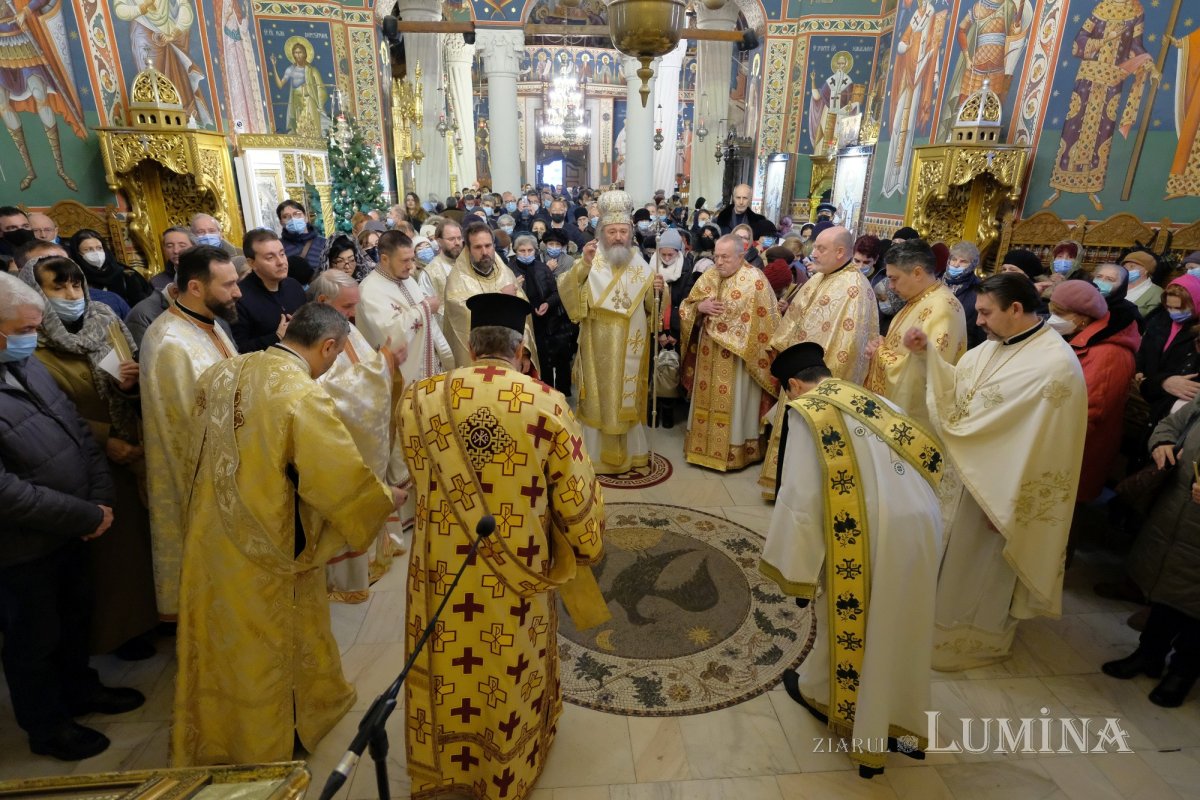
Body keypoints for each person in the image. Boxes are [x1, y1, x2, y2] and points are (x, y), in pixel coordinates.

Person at [172, 303, 403, 765]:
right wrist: (381, 499)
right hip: (267, 544)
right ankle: (268, 737)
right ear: (328, 346)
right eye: (334, 358)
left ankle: (219, 734)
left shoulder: (223, 371)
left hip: (208, 536)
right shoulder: (300, 393)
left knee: (223, 641)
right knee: (270, 639)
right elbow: (334, 474)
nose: (331, 366)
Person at [397, 293, 606, 798]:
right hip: (519, 565)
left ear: (470, 346)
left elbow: (414, 469)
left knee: (447, 658)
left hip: (442, 564)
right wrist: (586, 546)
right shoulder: (545, 402)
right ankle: (506, 769)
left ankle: (446, 763)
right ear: (520, 350)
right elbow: (576, 498)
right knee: (508, 659)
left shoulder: (418, 398)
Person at [761, 341, 944, 778]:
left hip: (872, 535)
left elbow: (801, 499)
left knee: (857, 624)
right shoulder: (871, 398)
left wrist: (796, 571)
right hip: (920, 524)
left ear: (793, 386)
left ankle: (853, 720)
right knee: (902, 624)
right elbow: (928, 459)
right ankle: (900, 718)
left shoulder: (808, 412)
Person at [903, 274, 1087, 670]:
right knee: (948, 560)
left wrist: (1009, 503)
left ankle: (969, 641)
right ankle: (931, 628)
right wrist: (928, 358)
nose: (980, 320)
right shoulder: (994, 345)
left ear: (1016, 309)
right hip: (963, 478)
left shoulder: (1054, 367)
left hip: (997, 494)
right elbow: (962, 385)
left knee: (976, 569)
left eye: (986, 312)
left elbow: (1042, 446)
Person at [0, 272, 145, 761]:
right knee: (33, 640)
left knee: (73, 619)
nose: (31, 337)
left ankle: (81, 688)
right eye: (22, 330)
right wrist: (83, 513)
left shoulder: (24, 366)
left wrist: (99, 499)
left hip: (72, 527)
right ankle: (48, 725)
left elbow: (76, 428)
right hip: (20, 545)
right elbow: (5, 492)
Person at [21, 257, 157, 660]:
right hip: (78, 458)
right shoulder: (31, 341)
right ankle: (114, 634)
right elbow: (46, 408)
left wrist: (131, 387)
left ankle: (143, 622)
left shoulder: (105, 322)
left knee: (135, 547)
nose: (70, 296)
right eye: (57, 288)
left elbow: (129, 379)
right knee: (104, 558)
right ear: (35, 293)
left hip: (129, 447)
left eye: (76, 286)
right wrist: (103, 439)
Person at [140, 245, 240, 619]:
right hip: (205, 482)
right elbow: (184, 429)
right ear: (196, 287)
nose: (237, 292)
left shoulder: (208, 325)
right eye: (229, 284)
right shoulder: (169, 342)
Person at [309, 271, 409, 602]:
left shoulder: (345, 326)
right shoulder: (312, 332)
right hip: (339, 439)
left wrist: (381, 366)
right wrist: (383, 365)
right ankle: (348, 573)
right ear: (323, 302)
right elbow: (324, 391)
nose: (353, 313)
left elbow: (362, 367)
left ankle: (378, 548)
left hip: (362, 433)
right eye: (347, 305)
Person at [760, 225, 879, 498]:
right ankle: (784, 485)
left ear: (840, 252)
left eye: (821, 249)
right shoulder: (818, 277)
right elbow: (795, 318)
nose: (814, 252)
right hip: (796, 374)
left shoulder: (856, 289)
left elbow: (849, 346)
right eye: (815, 247)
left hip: (816, 382)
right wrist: (778, 347)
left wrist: (819, 383)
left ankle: (802, 493)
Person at [558, 190, 663, 473]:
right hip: (596, 342)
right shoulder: (591, 258)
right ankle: (594, 453)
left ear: (630, 233)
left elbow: (653, 310)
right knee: (597, 396)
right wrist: (584, 265)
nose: (618, 236)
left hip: (632, 340)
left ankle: (631, 453)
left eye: (623, 231)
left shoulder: (641, 263)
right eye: (612, 231)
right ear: (602, 232)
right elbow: (568, 292)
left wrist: (658, 293)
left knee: (623, 397)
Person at [1105, 394, 1200, 707]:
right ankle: (1149, 654)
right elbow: (1169, 424)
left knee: (1195, 602)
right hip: (1175, 511)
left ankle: (1183, 673)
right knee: (1167, 581)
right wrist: (1162, 443)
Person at [679, 235, 779, 470]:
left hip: (738, 360)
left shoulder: (755, 280)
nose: (719, 262)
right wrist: (699, 308)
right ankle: (700, 448)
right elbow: (687, 305)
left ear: (741, 256)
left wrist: (744, 342)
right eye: (716, 256)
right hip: (707, 353)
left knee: (735, 405)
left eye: (725, 257)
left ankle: (734, 452)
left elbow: (769, 324)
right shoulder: (710, 275)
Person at [1049, 280, 1141, 504]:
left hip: (1078, 449)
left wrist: (1049, 443)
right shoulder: (1083, 338)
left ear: (1082, 317)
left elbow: (1090, 411)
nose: (1053, 319)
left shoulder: (1109, 354)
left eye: (1060, 313)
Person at [864, 240, 967, 427]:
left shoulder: (942, 308)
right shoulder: (918, 299)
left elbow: (929, 373)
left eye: (894, 279)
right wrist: (883, 343)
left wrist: (880, 354)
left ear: (917, 273)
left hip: (917, 424)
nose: (891, 286)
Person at [357, 230, 453, 385]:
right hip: (400, 379)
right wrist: (426, 308)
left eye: (412, 259)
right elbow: (389, 335)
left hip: (431, 371)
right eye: (404, 260)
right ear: (385, 259)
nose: (410, 266)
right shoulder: (369, 290)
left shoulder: (408, 279)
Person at [444, 222, 539, 373]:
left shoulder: (505, 273)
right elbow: (464, 320)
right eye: (478, 247)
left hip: (509, 360)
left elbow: (522, 315)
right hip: (475, 364)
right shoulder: (457, 279)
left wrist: (525, 353)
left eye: (488, 246)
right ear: (468, 249)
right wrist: (502, 299)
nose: (484, 252)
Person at [1136, 276, 1200, 434]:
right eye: (1169, 307)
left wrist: (1159, 380)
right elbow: (1144, 349)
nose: (1173, 313)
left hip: (1172, 400)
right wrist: (1138, 369)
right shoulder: (1159, 319)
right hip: (1148, 386)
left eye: (1179, 308)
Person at [509, 233, 571, 391]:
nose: (526, 254)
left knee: (546, 361)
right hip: (522, 324)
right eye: (522, 251)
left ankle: (549, 393)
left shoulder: (542, 268)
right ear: (515, 251)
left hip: (546, 322)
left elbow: (556, 293)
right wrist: (515, 286)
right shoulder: (509, 270)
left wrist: (547, 304)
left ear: (535, 251)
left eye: (530, 250)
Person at [232, 229, 307, 352]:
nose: (281, 262)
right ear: (252, 263)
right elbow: (239, 349)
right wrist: (277, 337)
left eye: (282, 254)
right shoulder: (239, 297)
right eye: (270, 257)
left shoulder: (293, 285)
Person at [67, 229, 152, 308]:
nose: (96, 253)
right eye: (88, 250)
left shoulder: (125, 274)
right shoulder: (75, 278)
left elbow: (143, 305)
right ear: (77, 254)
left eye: (99, 248)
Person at [944, 240, 986, 349]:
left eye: (963, 261)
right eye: (954, 259)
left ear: (972, 265)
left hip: (962, 346)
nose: (956, 265)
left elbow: (979, 330)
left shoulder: (979, 289)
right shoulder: (938, 282)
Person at [278, 199, 328, 275]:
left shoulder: (324, 243)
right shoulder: (279, 246)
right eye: (286, 216)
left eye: (297, 214)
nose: (293, 219)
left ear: (306, 217)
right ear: (281, 222)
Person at [1122, 250, 1165, 317]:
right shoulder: (1117, 286)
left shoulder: (1157, 293)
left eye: (1131, 266)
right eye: (1124, 267)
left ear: (1146, 270)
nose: (1126, 270)